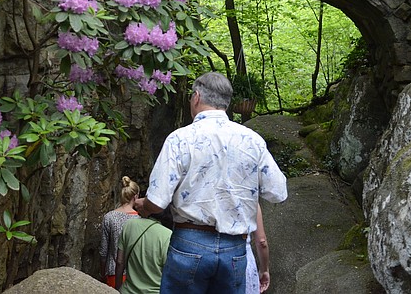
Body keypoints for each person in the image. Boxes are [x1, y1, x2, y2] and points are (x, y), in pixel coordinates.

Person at [133, 72, 288, 294]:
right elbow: (278, 192)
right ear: (226, 102)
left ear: (196, 97)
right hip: (234, 248)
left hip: (189, 242)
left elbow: (157, 202)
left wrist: (144, 207)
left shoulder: (179, 139)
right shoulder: (252, 140)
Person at [114, 209, 172, 293]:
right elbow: (168, 273)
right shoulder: (168, 235)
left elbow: (119, 262)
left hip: (127, 291)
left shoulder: (129, 225)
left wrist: (117, 288)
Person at [100, 176, 140, 288]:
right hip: (134, 275)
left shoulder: (109, 217)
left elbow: (103, 251)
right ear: (136, 197)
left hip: (112, 272)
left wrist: (102, 274)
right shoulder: (140, 220)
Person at [245, 204, 270, 294]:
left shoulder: (200, 191)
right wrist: (264, 270)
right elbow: (261, 241)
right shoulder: (249, 193)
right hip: (241, 256)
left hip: (201, 253)